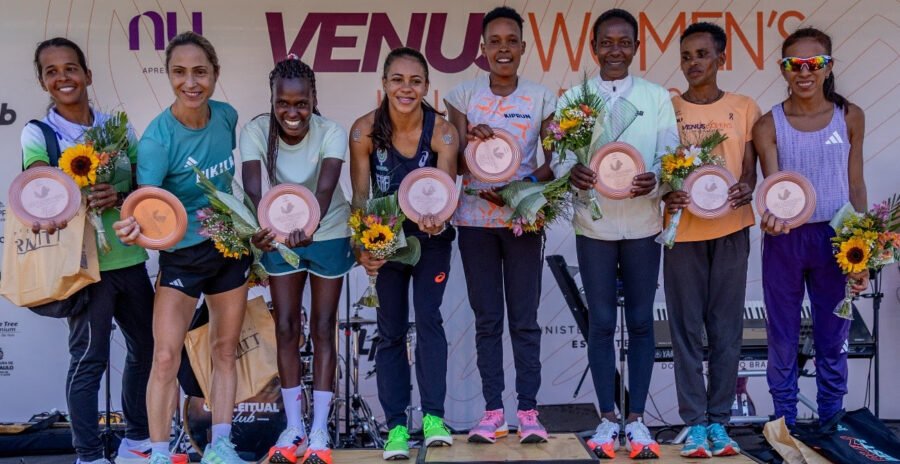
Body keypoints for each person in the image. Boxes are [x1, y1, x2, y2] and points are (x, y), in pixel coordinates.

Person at [114, 31, 251, 464]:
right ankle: (157, 453)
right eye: (179, 72)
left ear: (214, 75)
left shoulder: (227, 116)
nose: (190, 82)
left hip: (228, 249)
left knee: (225, 350)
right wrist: (132, 226)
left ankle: (221, 446)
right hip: (182, 256)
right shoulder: (157, 139)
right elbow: (146, 205)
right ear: (169, 76)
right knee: (165, 356)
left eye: (200, 72)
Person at [551, 8, 679, 460]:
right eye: (607, 42)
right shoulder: (575, 98)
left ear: (637, 48)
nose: (615, 50)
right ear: (593, 47)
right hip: (595, 225)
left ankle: (639, 420)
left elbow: (670, 155)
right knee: (602, 324)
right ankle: (607, 419)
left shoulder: (656, 96)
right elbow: (561, 157)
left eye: (624, 42)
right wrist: (575, 173)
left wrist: (658, 180)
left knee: (642, 322)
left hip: (644, 223)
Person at [21, 37, 156, 464]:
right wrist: (78, 197)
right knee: (90, 359)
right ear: (43, 82)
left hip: (129, 259)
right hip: (84, 267)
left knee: (147, 348)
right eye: (52, 71)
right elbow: (37, 193)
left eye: (71, 68)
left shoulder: (117, 127)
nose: (63, 77)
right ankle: (89, 454)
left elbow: (142, 187)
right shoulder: (39, 133)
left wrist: (118, 195)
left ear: (88, 75)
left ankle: (138, 440)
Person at [443, 6, 555, 445]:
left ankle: (529, 412)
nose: (503, 48)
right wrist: (468, 141)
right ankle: (493, 413)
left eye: (512, 41)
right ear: (483, 48)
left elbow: (553, 164)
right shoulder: (461, 97)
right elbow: (449, 163)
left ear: (523, 48)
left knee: (524, 321)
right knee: (488, 320)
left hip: (523, 220)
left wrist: (521, 188)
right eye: (495, 41)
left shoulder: (542, 97)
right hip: (473, 221)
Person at [753, 27, 867, 432]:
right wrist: (768, 215)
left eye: (813, 64)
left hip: (837, 240)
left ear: (828, 67)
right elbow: (772, 192)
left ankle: (832, 422)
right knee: (782, 336)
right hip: (786, 240)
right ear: (783, 70)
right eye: (793, 64)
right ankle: (784, 424)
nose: (804, 72)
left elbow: (855, 185)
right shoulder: (768, 124)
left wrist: (863, 249)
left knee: (832, 336)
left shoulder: (849, 115)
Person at [241, 55, 355, 464]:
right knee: (286, 327)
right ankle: (293, 427)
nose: (292, 112)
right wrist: (266, 229)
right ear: (272, 100)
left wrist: (308, 226)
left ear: (313, 99)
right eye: (283, 104)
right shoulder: (254, 131)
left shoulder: (332, 132)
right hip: (276, 233)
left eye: (301, 103)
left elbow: (323, 192)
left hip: (326, 230)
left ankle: (320, 431)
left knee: (324, 327)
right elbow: (254, 190)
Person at [348, 47, 458, 461]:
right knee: (390, 329)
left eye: (415, 81)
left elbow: (445, 198)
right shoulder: (363, 131)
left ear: (427, 86)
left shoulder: (443, 132)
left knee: (428, 320)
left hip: (432, 240)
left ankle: (433, 419)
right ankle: (395, 426)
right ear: (384, 84)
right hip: (386, 237)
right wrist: (363, 248)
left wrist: (439, 221)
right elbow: (361, 198)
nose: (406, 88)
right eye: (398, 79)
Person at [662, 22, 760, 458]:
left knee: (725, 329)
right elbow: (657, 167)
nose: (693, 63)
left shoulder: (745, 107)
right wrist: (669, 190)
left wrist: (746, 187)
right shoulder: (668, 107)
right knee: (684, 329)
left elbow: (751, 170)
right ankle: (695, 422)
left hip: (732, 229)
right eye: (686, 56)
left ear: (721, 58)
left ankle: (720, 421)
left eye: (702, 54)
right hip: (682, 231)